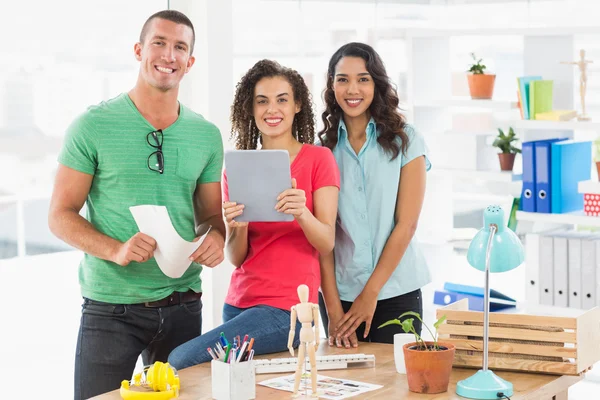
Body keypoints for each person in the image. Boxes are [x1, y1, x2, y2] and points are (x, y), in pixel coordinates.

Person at [48, 10, 226, 399]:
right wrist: (116, 249)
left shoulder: (206, 135)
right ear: (138, 50)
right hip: (111, 310)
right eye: (159, 43)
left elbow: (212, 216)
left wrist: (216, 237)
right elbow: (59, 215)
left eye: (180, 47)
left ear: (190, 61)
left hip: (183, 305)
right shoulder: (92, 125)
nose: (169, 54)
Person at [167, 59, 340, 369]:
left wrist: (301, 213)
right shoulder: (238, 168)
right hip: (237, 304)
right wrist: (238, 227)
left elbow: (326, 242)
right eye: (262, 101)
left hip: (288, 311)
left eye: (281, 99)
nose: (271, 109)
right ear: (251, 108)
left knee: (181, 359)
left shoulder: (318, 159)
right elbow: (237, 257)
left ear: (297, 105)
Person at [317, 42, 431, 348]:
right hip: (338, 297)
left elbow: (406, 225)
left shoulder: (407, 141)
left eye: (363, 79)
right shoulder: (321, 151)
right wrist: (332, 308)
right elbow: (322, 237)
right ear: (332, 85)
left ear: (376, 84)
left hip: (396, 293)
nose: (352, 89)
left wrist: (370, 295)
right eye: (343, 79)